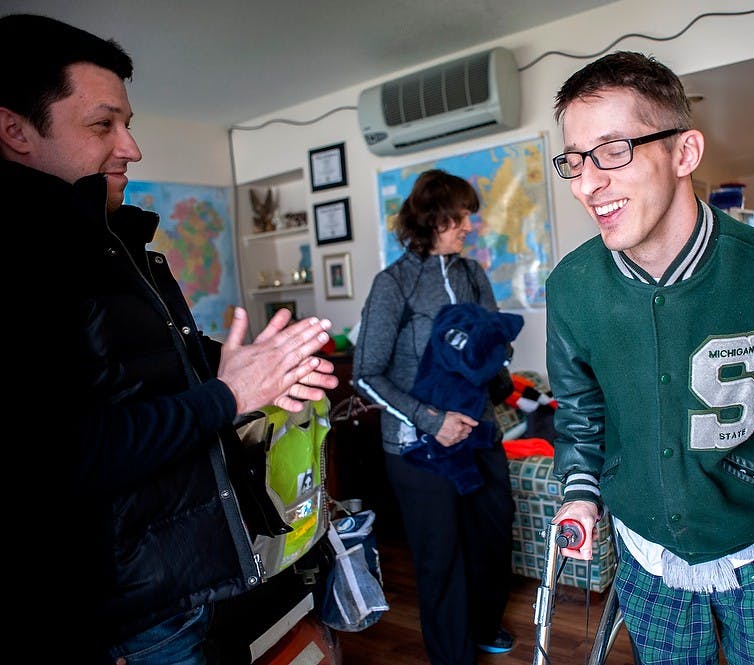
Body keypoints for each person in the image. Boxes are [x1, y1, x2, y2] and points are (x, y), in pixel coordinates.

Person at [0, 14, 338, 664]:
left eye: (127, 123)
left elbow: (137, 370)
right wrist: (229, 393)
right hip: (120, 614)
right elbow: (60, 454)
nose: (132, 147)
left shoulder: (106, 240)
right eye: (103, 125)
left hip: (172, 585)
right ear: (15, 129)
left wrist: (250, 366)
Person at [544, 50, 754, 665]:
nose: (587, 183)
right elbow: (579, 407)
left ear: (684, 153)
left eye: (613, 150)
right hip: (642, 546)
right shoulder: (571, 288)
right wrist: (580, 488)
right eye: (574, 160)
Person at [353, 169, 516, 665]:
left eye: (469, 215)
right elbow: (365, 373)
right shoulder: (393, 284)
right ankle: (452, 655)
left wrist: (497, 365)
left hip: (479, 434)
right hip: (416, 446)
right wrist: (432, 419)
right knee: (439, 557)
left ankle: (484, 625)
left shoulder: (472, 274)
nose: (470, 225)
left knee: (492, 534)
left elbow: (494, 344)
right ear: (431, 218)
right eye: (461, 216)